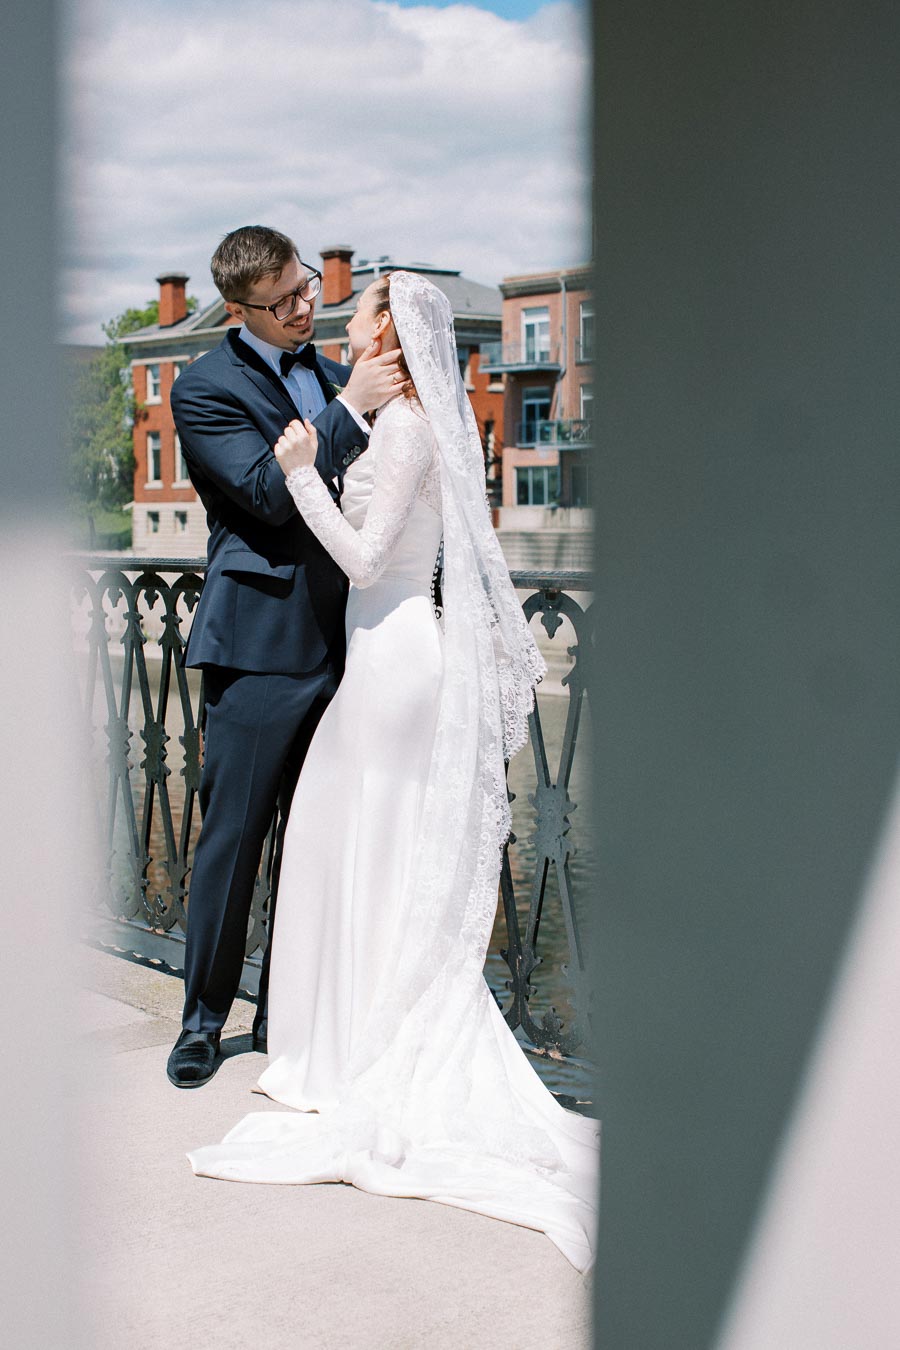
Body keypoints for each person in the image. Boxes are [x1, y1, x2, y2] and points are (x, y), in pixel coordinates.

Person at [187, 271, 599, 1272]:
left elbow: (369, 560)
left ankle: (356, 1051)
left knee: (359, 837)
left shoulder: (409, 428)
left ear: (389, 328)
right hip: (376, 659)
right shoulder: (397, 417)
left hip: (395, 655)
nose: (343, 316)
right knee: (352, 840)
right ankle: (333, 1046)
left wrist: (297, 475)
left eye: (362, 306)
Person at [166, 226, 406, 1088]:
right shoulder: (203, 392)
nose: (308, 307)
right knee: (233, 842)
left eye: (308, 289)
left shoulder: (342, 376)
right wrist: (349, 413)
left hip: (353, 642)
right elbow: (269, 500)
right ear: (240, 310)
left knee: (316, 842)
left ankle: (287, 1012)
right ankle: (201, 1022)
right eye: (287, 301)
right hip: (261, 646)